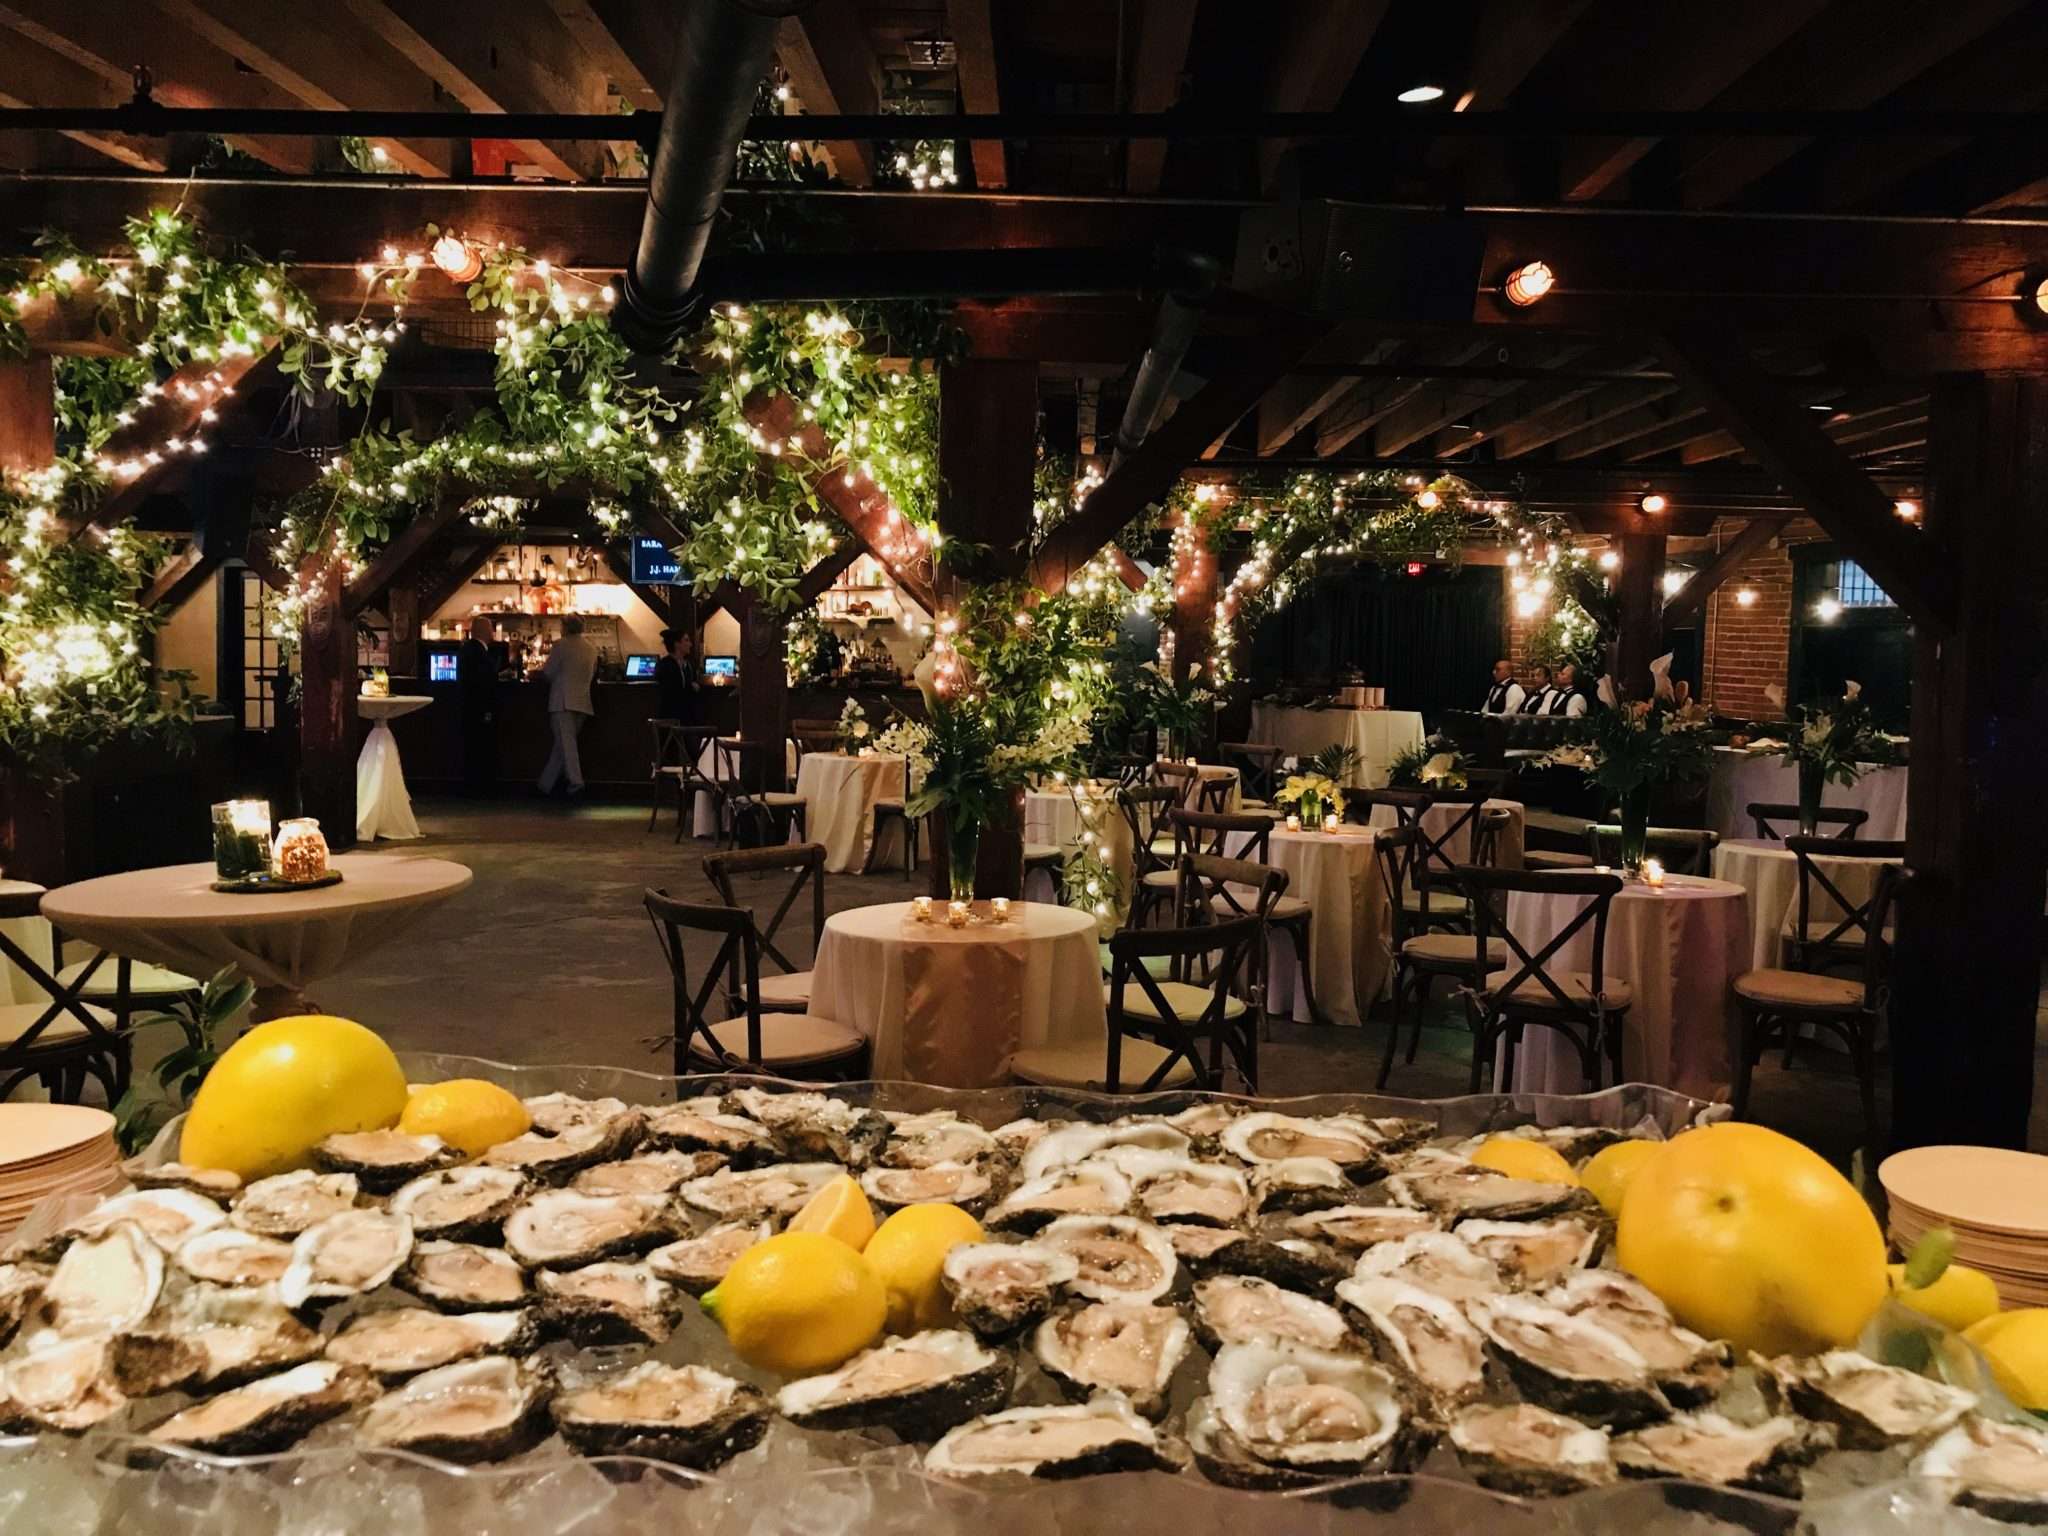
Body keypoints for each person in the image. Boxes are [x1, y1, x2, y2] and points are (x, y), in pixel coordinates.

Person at [535, 616, 599, 799]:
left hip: (562, 701)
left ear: (565, 627)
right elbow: (593, 673)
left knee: (566, 745)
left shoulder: (561, 646)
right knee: (562, 746)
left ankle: (576, 782)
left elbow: (548, 672)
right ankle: (544, 785)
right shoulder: (590, 648)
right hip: (583, 701)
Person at [456, 615, 506, 796]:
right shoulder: (478, 652)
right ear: (484, 631)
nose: (493, 632)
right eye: (490, 629)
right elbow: (483, 682)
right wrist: (487, 710)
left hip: (468, 707)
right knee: (480, 748)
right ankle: (481, 787)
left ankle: (474, 786)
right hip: (478, 708)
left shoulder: (468, 649)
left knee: (472, 748)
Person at [653, 626, 700, 725]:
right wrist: (691, 686)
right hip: (671, 717)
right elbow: (672, 692)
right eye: (686, 640)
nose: (690, 644)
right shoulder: (665, 665)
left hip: (686, 715)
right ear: (677, 644)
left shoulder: (687, 665)